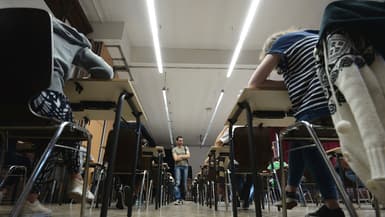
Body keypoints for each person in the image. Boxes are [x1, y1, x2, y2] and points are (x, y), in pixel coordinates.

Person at [16, 16, 114, 215]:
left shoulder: (18, 24)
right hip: (45, 101)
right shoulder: (71, 38)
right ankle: (76, 178)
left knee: (53, 134)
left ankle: (32, 198)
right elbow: (107, 72)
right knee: (65, 129)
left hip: (8, 104)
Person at [248, 29, 345, 217]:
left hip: (319, 100)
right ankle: (290, 191)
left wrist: (284, 84)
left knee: (306, 138)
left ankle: (332, 206)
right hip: (345, 98)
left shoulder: (282, 43)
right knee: (298, 136)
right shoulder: (317, 35)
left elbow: (255, 83)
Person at [172, 136, 190, 205]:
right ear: (176, 141)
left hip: (185, 167)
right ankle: (177, 198)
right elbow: (175, 159)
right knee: (178, 183)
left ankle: (182, 198)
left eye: (182, 141)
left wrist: (180, 156)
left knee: (184, 184)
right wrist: (184, 156)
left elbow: (188, 156)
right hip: (177, 167)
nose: (181, 142)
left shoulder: (186, 148)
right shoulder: (174, 149)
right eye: (179, 141)